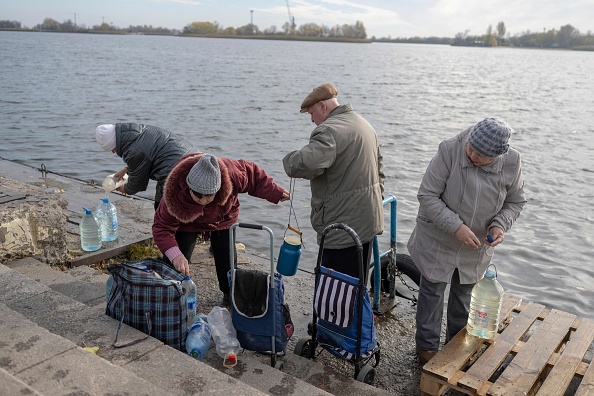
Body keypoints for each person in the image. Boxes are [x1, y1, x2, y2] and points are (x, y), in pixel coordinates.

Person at [407, 117, 526, 364]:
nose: (471, 154)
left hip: (476, 245)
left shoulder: (512, 162)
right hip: (438, 237)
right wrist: (456, 227)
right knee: (432, 292)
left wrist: (500, 224)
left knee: (464, 297)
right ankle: (426, 348)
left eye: (480, 155)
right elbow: (427, 195)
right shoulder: (449, 149)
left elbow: (515, 202)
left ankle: (455, 348)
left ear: (497, 157)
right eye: (470, 148)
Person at [152, 153, 290, 300]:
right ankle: (171, 294)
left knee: (226, 257)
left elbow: (254, 177)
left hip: (223, 217)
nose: (203, 201)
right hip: (188, 222)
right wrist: (175, 255)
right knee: (178, 261)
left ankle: (230, 294)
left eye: (209, 195)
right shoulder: (174, 194)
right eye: (198, 195)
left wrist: (275, 192)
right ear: (188, 187)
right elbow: (161, 228)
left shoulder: (232, 174)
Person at [282, 83, 384, 280]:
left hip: (341, 229)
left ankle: (333, 312)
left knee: (334, 289)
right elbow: (380, 171)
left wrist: (288, 159)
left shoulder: (329, 131)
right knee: (357, 283)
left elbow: (305, 164)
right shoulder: (364, 124)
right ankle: (356, 312)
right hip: (368, 221)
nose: (312, 120)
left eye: (312, 113)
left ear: (322, 106)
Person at [95, 123, 193, 210]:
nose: (113, 152)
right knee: (190, 203)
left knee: (162, 209)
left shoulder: (133, 150)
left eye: (112, 148)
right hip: (193, 158)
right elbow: (148, 157)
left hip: (175, 171)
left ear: (115, 142)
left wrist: (124, 189)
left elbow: (137, 183)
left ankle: (171, 230)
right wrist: (127, 169)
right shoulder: (138, 132)